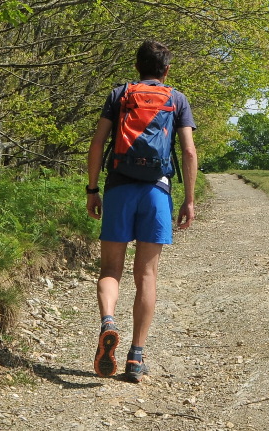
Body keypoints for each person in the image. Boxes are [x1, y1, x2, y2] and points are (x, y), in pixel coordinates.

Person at [85, 40, 197, 382]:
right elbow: (189, 152)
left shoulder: (119, 95)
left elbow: (97, 143)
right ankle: (135, 357)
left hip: (119, 186)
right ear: (166, 69)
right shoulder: (177, 99)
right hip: (156, 190)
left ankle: (108, 321)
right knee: (147, 275)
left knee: (110, 269)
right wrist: (189, 200)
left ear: (137, 66)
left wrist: (92, 189)